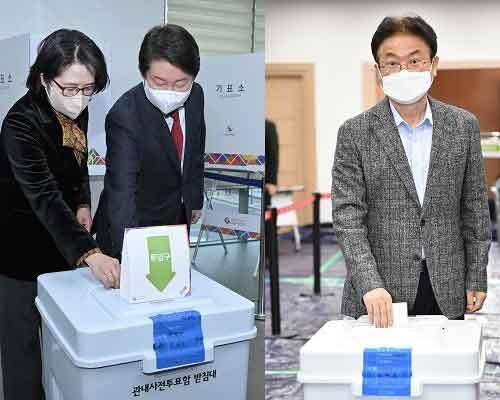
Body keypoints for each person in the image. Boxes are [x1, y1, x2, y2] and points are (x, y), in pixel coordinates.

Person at [331, 15, 490, 328]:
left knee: (443, 374)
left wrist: (477, 275)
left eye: (415, 60)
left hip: (448, 284)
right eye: (391, 63)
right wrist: (369, 283)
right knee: (387, 376)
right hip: (379, 292)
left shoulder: (463, 126)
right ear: (379, 72)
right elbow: (348, 217)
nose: (404, 71)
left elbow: (475, 209)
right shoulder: (355, 132)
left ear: (433, 65)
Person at [0, 29, 120, 400]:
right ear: (43, 78)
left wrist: (83, 202)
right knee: (21, 349)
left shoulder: (72, 110)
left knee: (60, 337)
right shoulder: (20, 124)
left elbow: (77, 163)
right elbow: (44, 196)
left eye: (89, 89)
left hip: (60, 244)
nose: (80, 99)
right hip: (18, 248)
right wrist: (90, 252)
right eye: (70, 88)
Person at [94, 24, 205, 258]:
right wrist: (131, 252)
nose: (171, 91)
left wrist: (193, 199)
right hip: (135, 224)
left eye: (181, 83)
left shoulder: (196, 95)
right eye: (160, 82)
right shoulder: (124, 116)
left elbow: (194, 152)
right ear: (143, 72)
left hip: (176, 219)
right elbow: (122, 191)